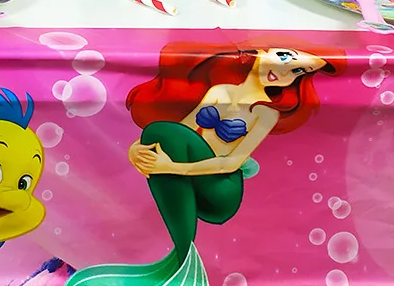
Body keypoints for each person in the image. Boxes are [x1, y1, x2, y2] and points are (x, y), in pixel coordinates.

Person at [67, 41, 344, 286]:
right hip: (196, 176)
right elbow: (183, 131)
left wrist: (170, 168)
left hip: (222, 190)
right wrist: (135, 150)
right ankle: (179, 267)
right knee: (159, 133)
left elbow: (231, 162)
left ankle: (183, 260)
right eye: (285, 58)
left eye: (298, 71)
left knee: (160, 133)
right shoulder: (220, 91)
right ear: (261, 52)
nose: (284, 72)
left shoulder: (265, 113)